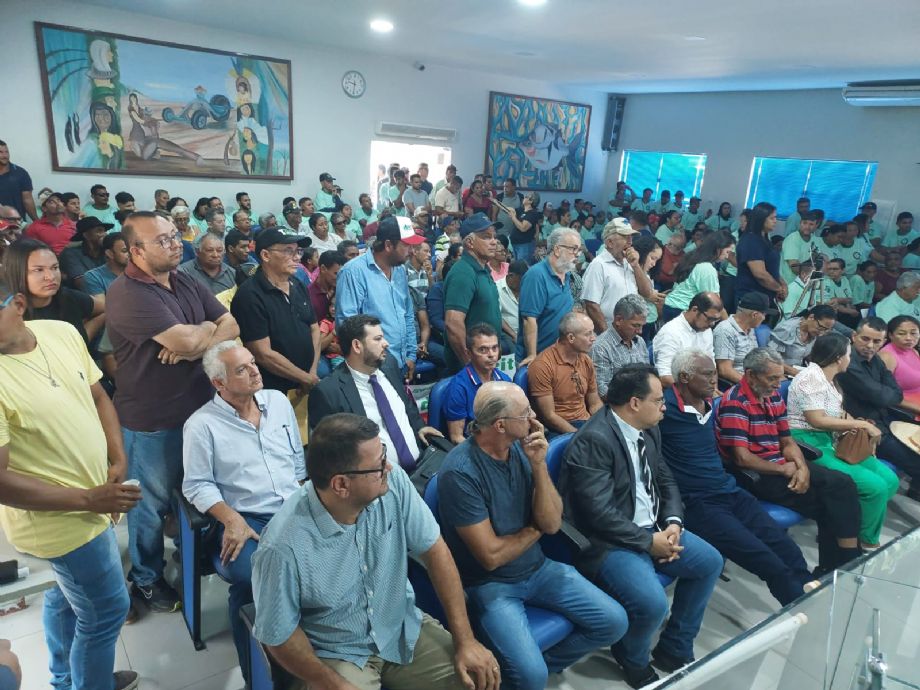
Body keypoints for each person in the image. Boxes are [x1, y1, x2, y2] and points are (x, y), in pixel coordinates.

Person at [250, 413, 500, 690]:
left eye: (383, 454)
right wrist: (332, 683)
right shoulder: (282, 546)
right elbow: (279, 635)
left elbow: (435, 551)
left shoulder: (394, 484)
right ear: (341, 484)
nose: (388, 467)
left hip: (399, 627)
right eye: (379, 465)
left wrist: (466, 641)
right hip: (337, 651)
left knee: (478, 678)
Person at [438, 382, 627, 690]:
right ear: (500, 425)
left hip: (538, 567)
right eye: (525, 412)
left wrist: (538, 464)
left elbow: (551, 522)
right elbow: (491, 557)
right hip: (492, 585)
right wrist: (536, 528)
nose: (534, 417)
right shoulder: (460, 473)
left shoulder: (522, 448)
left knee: (615, 622)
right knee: (532, 676)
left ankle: (531, 673)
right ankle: (527, 677)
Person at [0, 281, 141, 690]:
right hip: (60, 521)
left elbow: (97, 397)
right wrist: (88, 498)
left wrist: (117, 457)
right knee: (106, 612)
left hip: (94, 499)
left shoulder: (59, 332)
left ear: (18, 305)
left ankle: (67, 678)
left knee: (67, 597)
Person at [106, 211, 239, 616]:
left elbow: (231, 323)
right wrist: (201, 333)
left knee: (194, 489)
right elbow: (189, 337)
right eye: (162, 240)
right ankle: (146, 579)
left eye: (175, 235)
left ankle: (190, 550)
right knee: (149, 507)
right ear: (135, 250)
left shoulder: (183, 279)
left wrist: (196, 341)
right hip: (152, 419)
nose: (175, 243)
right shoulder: (127, 292)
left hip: (198, 409)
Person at [560, 364, 723, 687]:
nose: (665, 407)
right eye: (658, 400)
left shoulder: (648, 427)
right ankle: (632, 657)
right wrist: (649, 543)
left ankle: (675, 647)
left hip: (654, 529)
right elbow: (599, 514)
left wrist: (673, 523)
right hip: (610, 542)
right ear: (634, 403)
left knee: (710, 562)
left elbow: (666, 481)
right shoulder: (593, 440)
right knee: (653, 604)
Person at [183, 342, 306, 683]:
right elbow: (196, 485)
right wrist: (231, 518)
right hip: (246, 518)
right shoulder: (202, 425)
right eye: (242, 369)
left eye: (253, 363)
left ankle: (314, 649)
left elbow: (297, 460)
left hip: (294, 508)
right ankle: (260, 675)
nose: (255, 371)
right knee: (255, 578)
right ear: (218, 383)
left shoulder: (277, 402)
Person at [661, 350, 815, 605]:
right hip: (698, 502)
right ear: (685, 377)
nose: (715, 380)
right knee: (768, 562)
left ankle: (813, 593)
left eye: (714, 373)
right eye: (708, 374)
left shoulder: (707, 403)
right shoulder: (664, 410)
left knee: (787, 548)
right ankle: (803, 609)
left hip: (728, 489)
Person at [715, 348, 861, 574]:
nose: (778, 384)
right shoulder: (735, 403)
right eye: (772, 378)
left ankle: (838, 566)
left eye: (780, 377)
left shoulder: (772, 395)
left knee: (844, 484)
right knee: (831, 503)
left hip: (782, 462)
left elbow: (787, 440)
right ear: (751, 375)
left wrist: (802, 468)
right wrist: (783, 470)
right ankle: (846, 563)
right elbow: (742, 458)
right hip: (758, 473)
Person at [786, 333, 898, 549]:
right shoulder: (811, 377)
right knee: (875, 487)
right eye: (848, 354)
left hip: (830, 438)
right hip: (808, 442)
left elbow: (836, 412)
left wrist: (858, 424)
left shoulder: (830, 379)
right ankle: (861, 542)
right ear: (838, 357)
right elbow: (816, 419)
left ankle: (844, 525)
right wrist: (861, 426)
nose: (850, 359)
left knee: (890, 480)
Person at [308, 315, 442, 470]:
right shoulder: (328, 392)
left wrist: (419, 426)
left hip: (422, 465)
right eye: (378, 339)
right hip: (378, 479)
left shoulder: (388, 364)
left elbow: (405, 403)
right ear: (357, 346)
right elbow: (330, 455)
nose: (386, 343)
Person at [230, 227, 320, 428]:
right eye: (288, 251)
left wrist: (312, 373)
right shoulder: (250, 296)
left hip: (306, 382)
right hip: (274, 390)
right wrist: (305, 378)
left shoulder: (297, 284)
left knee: (307, 437)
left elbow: (313, 328)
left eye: (298, 251)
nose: (297, 257)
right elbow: (263, 353)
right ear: (265, 255)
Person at [837, 317, 920, 496]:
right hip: (864, 429)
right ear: (854, 336)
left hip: (886, 420)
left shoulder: (876, 360)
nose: (870, 345)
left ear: (883, 341)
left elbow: (896, 394)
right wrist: (885, 395)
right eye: (865, 339)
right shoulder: (848, 362)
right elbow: (881, 396)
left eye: (876, 341)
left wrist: (885, 395)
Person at [336, 215, 424, 379]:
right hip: (371, 367)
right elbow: (347, 326)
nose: (412, 251)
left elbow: (407, 313)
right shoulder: (353, 272)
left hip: (401, 361)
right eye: (406, 245)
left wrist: (411, 355)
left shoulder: (399, 270)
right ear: (388, 245)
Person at [3, 238, 105, 346]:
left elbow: (105, 308)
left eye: (54, 267)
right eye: (39, 270)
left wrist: (83, 337)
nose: (51, 276)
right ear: (16, 272)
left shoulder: (69, 297)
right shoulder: (7, 314)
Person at [442, 213, 503, 374]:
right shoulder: (463, 273)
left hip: (485, 360)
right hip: (470, 368)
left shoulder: (483, 269)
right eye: (486, 237)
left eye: (494, 236)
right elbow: (453, 324)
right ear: (469, 242)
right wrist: (470, 366)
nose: (494, 241)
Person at [528, 312, 603, 435]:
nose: (593, 338)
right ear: (571, 338)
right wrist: (578, 436)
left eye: (593, 332)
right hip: (559, 428)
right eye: (588, 334)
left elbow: (595, 403)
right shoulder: (542, 365)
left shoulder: (585, 360)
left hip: (585, 422)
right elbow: (549, 416)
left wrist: (604, 424)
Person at [516, 227, 578, 366]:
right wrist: (532, 355)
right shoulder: (536, 275)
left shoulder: (566, 274)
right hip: (540, 358)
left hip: (560, 355)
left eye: (578, 250)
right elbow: (529, 319)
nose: (577, 254)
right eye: (573, 249)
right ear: (557, 250)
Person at [582, 218, 654, 334]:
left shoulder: (630, 262)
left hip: (630, 332)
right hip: (608, 332)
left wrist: (636, 265)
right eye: (625, 237)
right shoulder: (598, 265)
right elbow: (591, 305)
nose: (630, 242)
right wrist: (608, 336)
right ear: (610, 242)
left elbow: (647, 293)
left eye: (631, 237)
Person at [444, 324, 511, 443]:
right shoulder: (458, 387)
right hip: (475, 446)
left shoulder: (505, 379)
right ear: (468, 353)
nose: (491, 355)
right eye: (483, 350)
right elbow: (456, 437)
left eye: (494, 348)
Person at [652, 292, 722, 388]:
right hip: (678, 390)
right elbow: (665, 377)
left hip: (701, 388)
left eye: (716, 320)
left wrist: (713, 390)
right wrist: (695, 391)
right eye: (710, 318)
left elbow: (712, 367)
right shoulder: (670, 333)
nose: (712, 324)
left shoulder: (706, 330)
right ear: (694, 310)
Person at [662, 230, 734, 323]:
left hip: (671, 307)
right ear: (718, 249)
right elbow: (715, 302)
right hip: (681, 310)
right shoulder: (706, 268)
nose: (727, 256)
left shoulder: (694, 258)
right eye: (727, 252)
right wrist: (728, 324)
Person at [590, 293, 651, 394]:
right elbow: (602, 391)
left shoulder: (640, 342)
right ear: (618, 320)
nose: (640, 331)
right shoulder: (600, 347)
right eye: (635, 325)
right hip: (618, 402)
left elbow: (647, 376)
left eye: (642, 326)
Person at [735, 202, 786, 308]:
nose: (775, 221)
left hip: (765, 298)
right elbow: (760, 274)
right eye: (772, 218)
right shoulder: (751, 240)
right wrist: (779, 289)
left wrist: (783, 284)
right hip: (752, 299)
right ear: (761, 219)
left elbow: (771, 268)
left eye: (775, 218)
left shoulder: (765, 239)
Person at [713, 292, 768, 384]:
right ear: (754, 315)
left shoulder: (750, 328)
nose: (764, 318)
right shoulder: (725, 330)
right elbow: (725, 370)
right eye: (764, 314)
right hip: (740, 384)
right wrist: (755, 385)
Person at [768, 304, 838, 376]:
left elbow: (806, 355)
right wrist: (796, 373)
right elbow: (771, 359)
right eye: (821, 327)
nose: (821, 333)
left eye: (826, 330)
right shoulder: (786, 329)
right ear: (811, 317)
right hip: (779, 373)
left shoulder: (813, 332)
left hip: (797, 372)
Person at [179, 232, 237, 299]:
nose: (215, 255)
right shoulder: (184, 272)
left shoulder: (232, 273)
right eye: (210, 250)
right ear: (197, 252)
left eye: (219, 250)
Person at [879, 315, 920, 408]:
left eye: (913, 333)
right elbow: (883, 394)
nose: (909, 338)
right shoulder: (887, 357)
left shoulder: (913, 350)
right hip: (907, 408)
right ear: (890, 335)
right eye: (901, 333)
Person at [59, 216, 110, 289]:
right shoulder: (71, 253)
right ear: (86, 235)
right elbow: (82, 284)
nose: (105, 234)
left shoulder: (107, 251)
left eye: (104, 231)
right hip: (82, 294)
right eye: (99, 231)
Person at [82, 231, 130, 297]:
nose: (131, 254)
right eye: (124, 251)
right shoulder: (94, 277)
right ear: (110, 254)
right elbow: (101, 303)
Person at [0, 141, 37, 221]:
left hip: (16, 223)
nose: (5, 155)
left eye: (6, 152)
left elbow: (27, 200)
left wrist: (36, 221)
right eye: (1, 152)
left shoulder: (21, 173)